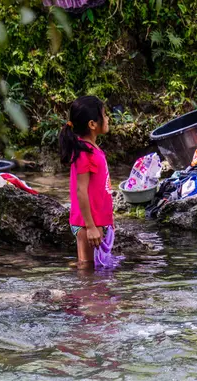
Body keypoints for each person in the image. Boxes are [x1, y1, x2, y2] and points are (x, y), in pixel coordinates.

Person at [59, 96, 113, 269]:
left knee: (95, 269)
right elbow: (80, 190)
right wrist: (90, 227)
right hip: (86, 224)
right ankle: (81, 296)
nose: (107, 119)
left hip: (95, 222)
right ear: (92, 124)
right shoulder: (84, 153)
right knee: (87, 269)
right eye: (104, 115)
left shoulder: (92, 149)